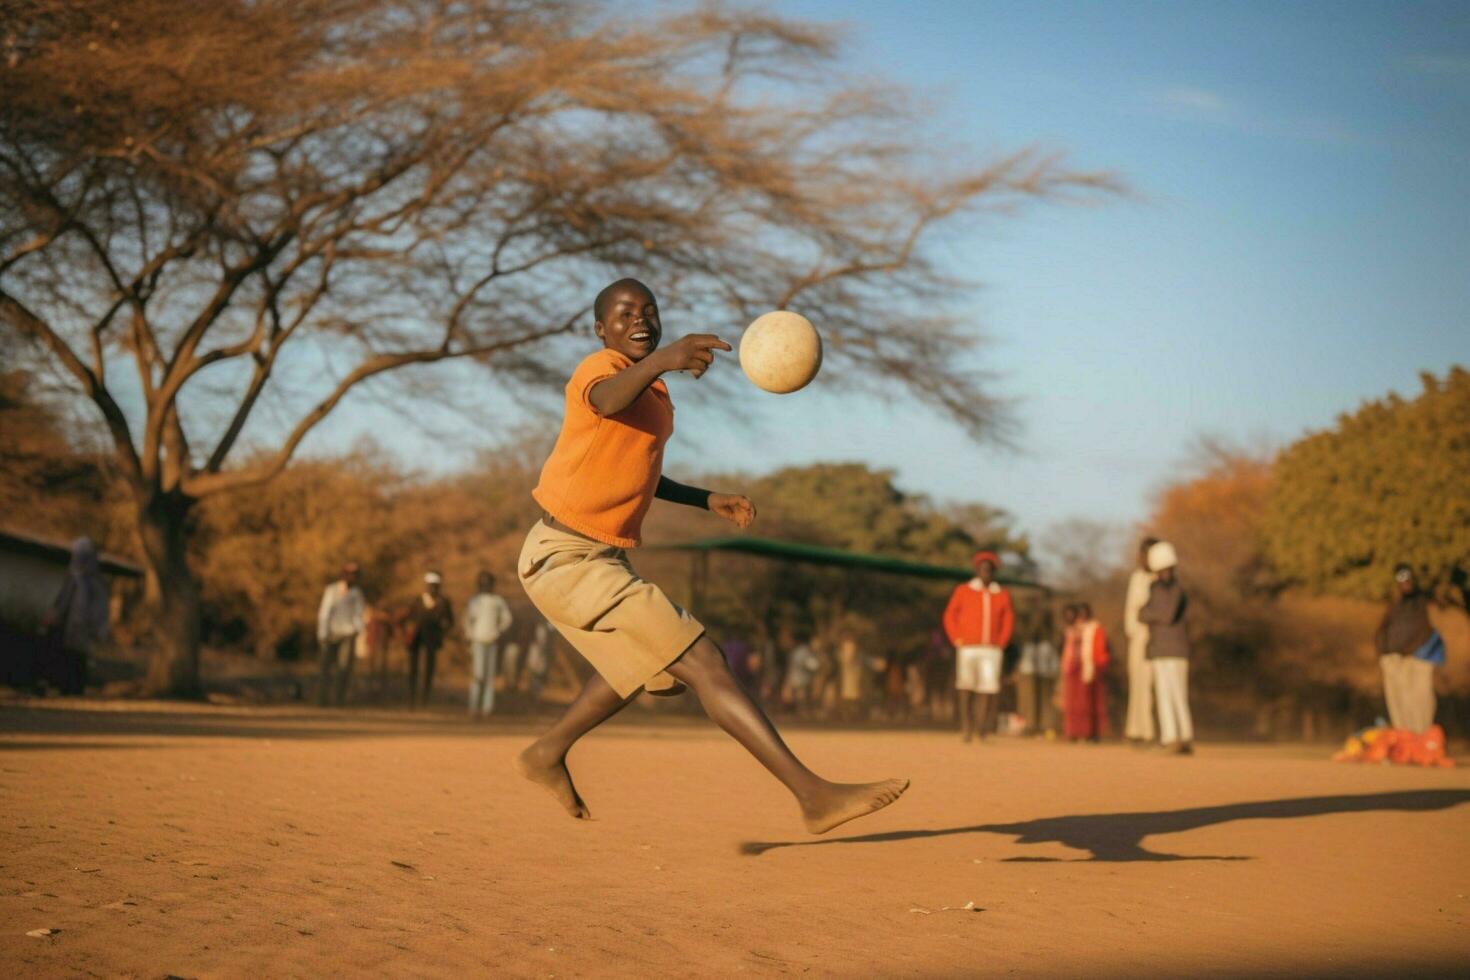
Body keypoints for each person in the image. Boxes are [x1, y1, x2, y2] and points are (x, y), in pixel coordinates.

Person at [513, 277, 907, 834]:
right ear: (601, 329)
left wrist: (706, 499)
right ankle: (814, 795)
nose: (639, 320)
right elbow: (605, 399)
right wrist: (665, 360)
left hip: (595, 561)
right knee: (704, 662)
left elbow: (638, 469)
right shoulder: (597, 370)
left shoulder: (651, 392)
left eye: (649, 310)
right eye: (624, 313)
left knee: (640, 667)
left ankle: (547, 751)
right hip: (564, 557)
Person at [942, 550, 1015, 742]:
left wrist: (1001, 642)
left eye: (989, 570)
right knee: (966, 686)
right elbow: (950, 615)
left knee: (988, 688)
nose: (986, 573)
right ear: (977, 570)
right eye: (983, 569)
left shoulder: (1001, 594)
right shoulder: (963, 590)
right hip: (968, 647)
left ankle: (981, 728)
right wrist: (956, 637)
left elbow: (1008, 619)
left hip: (992, 648)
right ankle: (966, 727)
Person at [1374, 563, 1443, 733]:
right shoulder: (1396, 605)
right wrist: (1383, 651)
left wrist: (1409, 651)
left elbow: (1425, 630)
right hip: (1394, 659)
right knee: (1398, 699)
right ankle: (1404, 734)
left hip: (1416, 659)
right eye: (1401, 580)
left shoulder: (1420, 603)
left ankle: (1420, 734)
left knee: (1418, 699)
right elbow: (1382, 628)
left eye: (1408, 579)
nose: (1405, 584)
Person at [1139, 541, 1194, 755]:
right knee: (1163, 693)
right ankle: (1170, 736)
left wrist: (1151, 614)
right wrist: (1151, 614)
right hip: (1160, 648)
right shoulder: (1155, 587)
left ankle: (1184, 736)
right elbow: (1141, 613)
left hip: (1175, 649)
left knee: (1178, 693)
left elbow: (1163, 614)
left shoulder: (1176, 589)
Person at [42, 537, 110, 695]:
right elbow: (62, 601)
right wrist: (54, 615)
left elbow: (99, 608)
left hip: (84, 628)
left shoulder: (95, 582)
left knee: (78, 659)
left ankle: (74, 690)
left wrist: (98, 628)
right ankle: (63, 687)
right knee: (64, 657)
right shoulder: (72, 578)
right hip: (68, 627)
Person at [1123, 536, 1158, 744]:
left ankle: (1150, 731)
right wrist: (1133, 632)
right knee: (1137, 685)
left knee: (1151, 686)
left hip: (1155, 637)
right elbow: (1131, 608)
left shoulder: (1160, 579)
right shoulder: (1137, 577)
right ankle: (1135, 729)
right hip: (1137, 637)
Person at [464, 570, 514, 718]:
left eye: (488, 583)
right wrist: (470, 635)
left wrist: (498, 631)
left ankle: (486, 709)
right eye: (483, 583)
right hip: (478, 641)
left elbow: (507, 619)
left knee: (489, 676)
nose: (486, 586)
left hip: (492, 641)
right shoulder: (475, 601)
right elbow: (467, 620)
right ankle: (473, 708)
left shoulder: (497, 601)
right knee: (478, 675)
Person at [315, 562, 365, 706]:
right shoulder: (332, 590)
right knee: (325, 668)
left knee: (343, 669)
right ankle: (322, 700)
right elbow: (325, 612)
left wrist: (356, 629)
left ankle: (339, 701)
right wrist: (323, 632)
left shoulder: (357, 593)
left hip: (348, 634)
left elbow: (358, 614)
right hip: (330, 633)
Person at [1060, 602, 1109, 741]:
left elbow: (1101, 650)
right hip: (1072, 669)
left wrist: (1099, 666)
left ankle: (1091, 733)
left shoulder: (1094, 628)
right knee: (1073, 704)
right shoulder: (1070, 630)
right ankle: (1073, 732)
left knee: (1089, 703)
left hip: (1090, 669)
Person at [406, 571, 454, 707]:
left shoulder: (443, 602)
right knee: (413, 668)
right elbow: (410, 618)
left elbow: (450, 621)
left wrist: (443, 629)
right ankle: (412, 698)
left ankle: (424, 699)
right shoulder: (417, 601)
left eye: (435, 586)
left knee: (429, 668)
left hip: (432, 638)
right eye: (430, 586)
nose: (432, 588)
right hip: (416, 637)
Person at [1016, 609, 1060, 737]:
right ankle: (1030, 725)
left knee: (1045, 701)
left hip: (1045, 673)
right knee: (1030, 700)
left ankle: (1046, 726)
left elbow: (1054, 659)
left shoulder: (1050, 639)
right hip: (1030, 672)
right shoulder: (1028, 640)